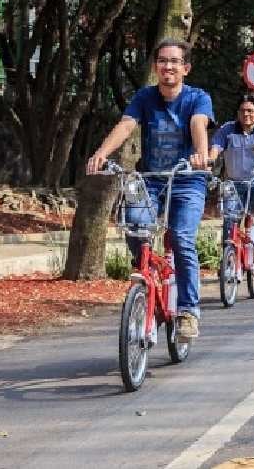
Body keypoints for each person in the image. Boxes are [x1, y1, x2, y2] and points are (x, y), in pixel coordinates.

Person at [86, 38, 213, 340]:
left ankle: (187, 311)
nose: (168, 66)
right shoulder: (145, 97)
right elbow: (127, 125)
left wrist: (200, 155)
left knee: (182, 238)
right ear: (156, 66)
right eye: (162, 61)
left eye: (174, 61)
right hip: (151, 179)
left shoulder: (198, 98)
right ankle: (145, 271)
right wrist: (102, 152)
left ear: (186, 68)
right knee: (135, 228)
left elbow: (198, 124)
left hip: (187, 180)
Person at [209, 94, 254, 263]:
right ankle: (229, 258)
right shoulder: (227, 129)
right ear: (237, 113)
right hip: (234, 183)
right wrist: (208, 165)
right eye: (243, 111)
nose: (246, 114)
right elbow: (216, 148)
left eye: (250, 110)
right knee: (230, 218)